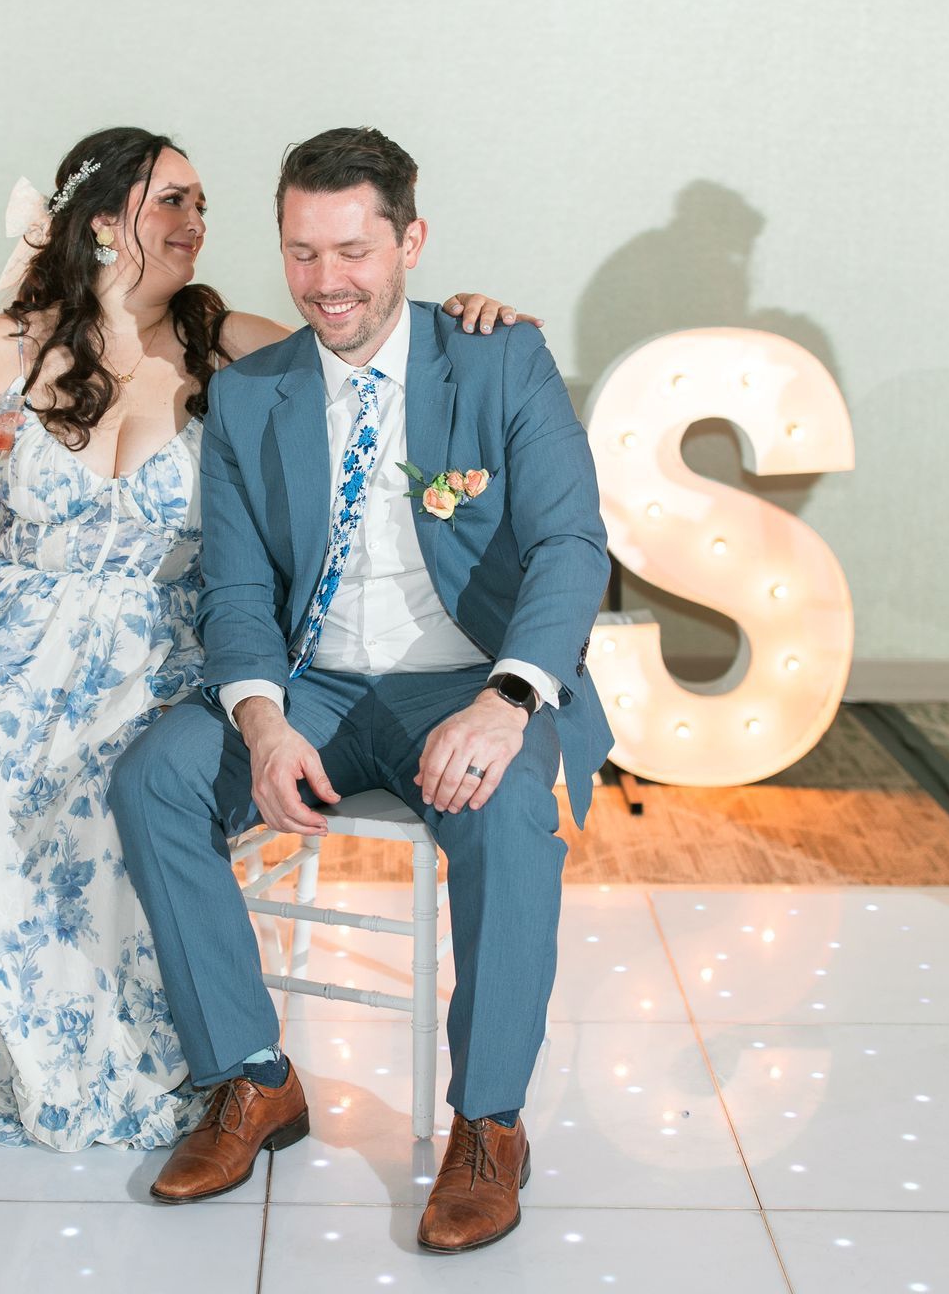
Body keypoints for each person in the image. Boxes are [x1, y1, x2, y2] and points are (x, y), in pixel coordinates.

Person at [0, 124, 536, 1152]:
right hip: (10, 633)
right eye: (170, 203)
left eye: (201, 205)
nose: (196, 222)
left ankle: (138, 1047)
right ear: (103, 226)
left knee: (128, 777)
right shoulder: (0, 348)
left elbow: (367, 346)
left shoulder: (228, 340)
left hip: (165, 636)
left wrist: (470, 321)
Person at [108, 126, 612, 1252]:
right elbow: (236, 591)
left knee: (512, 809)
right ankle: (249, 1077)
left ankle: (488, 1125)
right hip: (314, 689)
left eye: (352, 250)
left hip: (466, 684)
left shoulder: (498, 359)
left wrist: (508, 701)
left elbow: (572, 547)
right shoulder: (252, 396)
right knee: (156, 779)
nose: (326, 282)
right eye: (301, 253)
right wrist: (262, 716)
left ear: (410, 242)